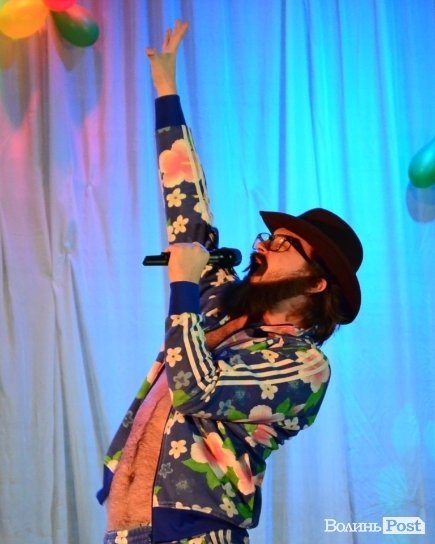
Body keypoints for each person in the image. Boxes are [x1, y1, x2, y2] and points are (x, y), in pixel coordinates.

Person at [98, 21, 363, 544]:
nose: (263, 246)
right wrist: (167, 92)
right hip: (130, 526)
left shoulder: (304, 366)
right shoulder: (226, 304)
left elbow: (195, 389)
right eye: (268, 237)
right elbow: (187, 211)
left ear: (316, 284)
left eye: (285, 245)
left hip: (198, 531)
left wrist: (183, 291)